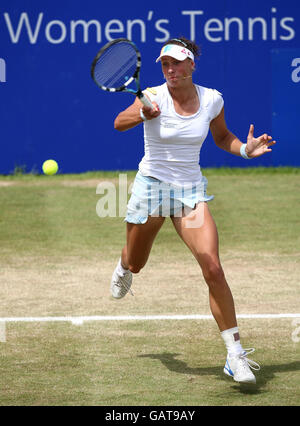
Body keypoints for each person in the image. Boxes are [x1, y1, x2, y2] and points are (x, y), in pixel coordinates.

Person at [110, 37, 275, 384]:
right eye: (165, 64)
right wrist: (142, 112)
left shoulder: (212, 99)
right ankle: (124, 265)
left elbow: (221, 137)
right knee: (137, 262)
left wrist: (245, 149)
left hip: (189, 194)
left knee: (213, 267)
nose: (170, 69)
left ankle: (235, 355)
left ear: (191, 65)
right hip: (152, 188)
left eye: (176, 63)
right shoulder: (151, 96)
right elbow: (118, 124)